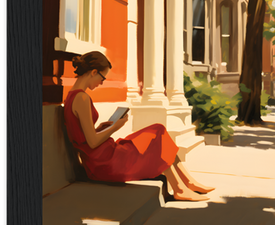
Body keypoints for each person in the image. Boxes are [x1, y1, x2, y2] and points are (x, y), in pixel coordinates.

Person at [63, 51, 214, 202]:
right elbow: (92, 142)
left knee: (158, 130)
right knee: (157, 137)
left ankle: (187, 182)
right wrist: (116, 127)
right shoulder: (81, 98)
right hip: (103, 163)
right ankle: (180, 189)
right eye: (102, 78)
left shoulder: (72, 96)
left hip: (101, 157)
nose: (101, 83)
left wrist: (101, 127)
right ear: (93, 72)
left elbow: (83, 137)